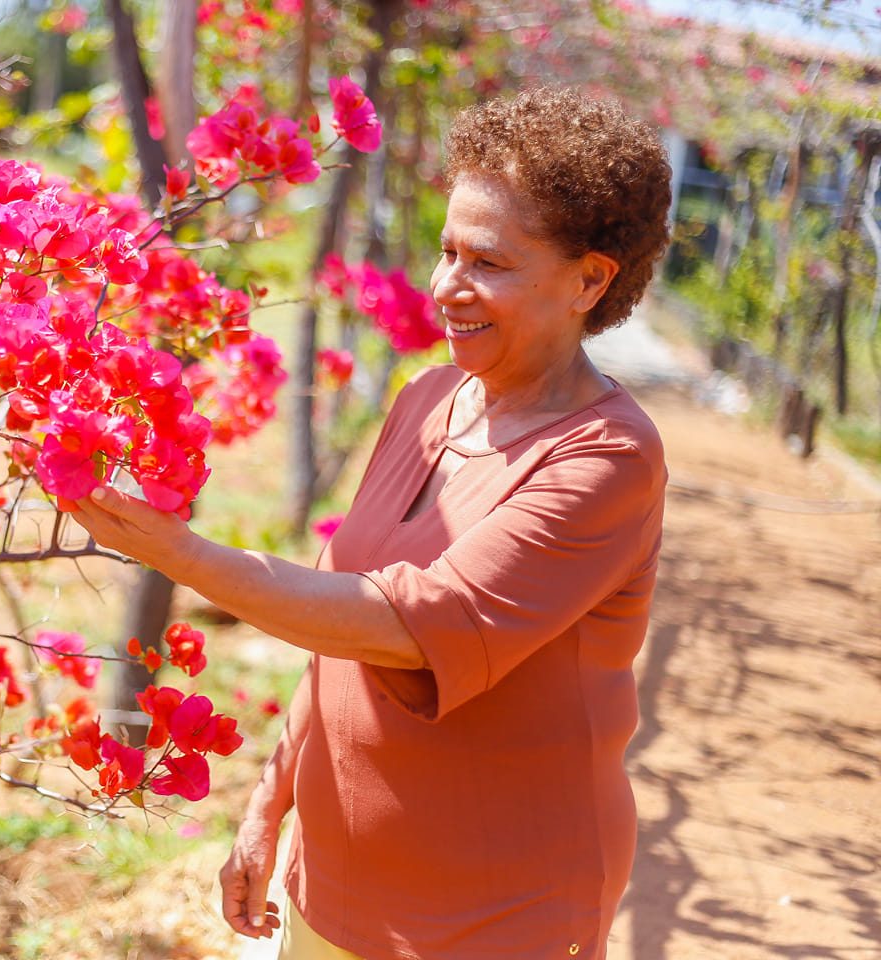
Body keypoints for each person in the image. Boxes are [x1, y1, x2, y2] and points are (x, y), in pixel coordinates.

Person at [63, 85, 673, 960]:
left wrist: (180, 555)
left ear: (590, 279)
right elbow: (336, 638)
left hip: (497, 914)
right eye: (446, 250)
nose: (446, 287)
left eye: (488, 263)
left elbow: (401, 626)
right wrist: (270, 801)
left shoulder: (605, 458)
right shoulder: (430, 398)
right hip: (337, 888)